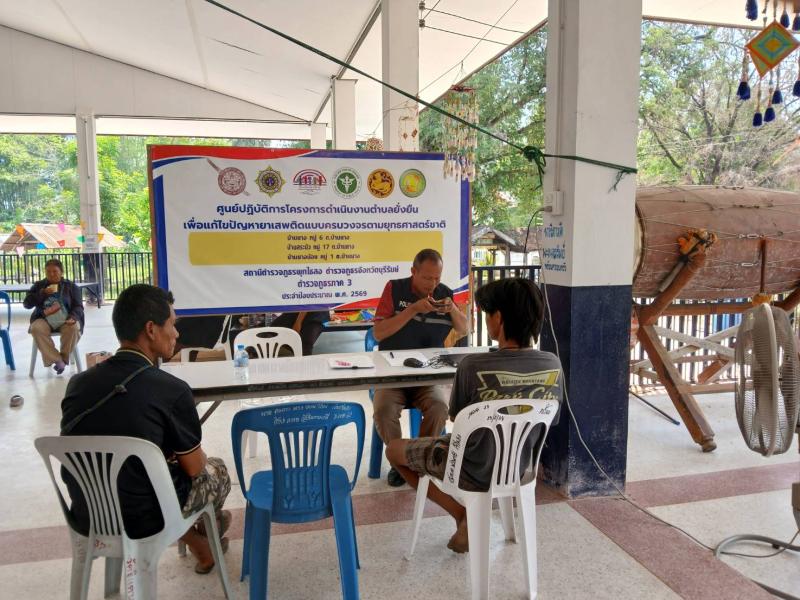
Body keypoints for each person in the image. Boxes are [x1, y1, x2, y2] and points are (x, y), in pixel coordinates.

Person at [60, 284, 231, 574]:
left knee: (139, 475)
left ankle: (201, 542)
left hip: (88, 514)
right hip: (146, 520)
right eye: (172, 324)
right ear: (151, 329)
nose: (177, 334)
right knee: (216, 469)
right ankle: (207, 529)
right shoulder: (172, 390)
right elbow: (194, 468)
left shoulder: (78, 384)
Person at [386, 277, 562, 553]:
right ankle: (470, 516)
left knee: (394, 451)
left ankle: (461, 514)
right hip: (518, 467)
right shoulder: (553, 364)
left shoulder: (472, 366)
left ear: (498, 318)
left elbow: (457, 420)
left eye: (487, 313)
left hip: (469, 469)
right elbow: (550, 419)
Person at [372, 248, 468, 486]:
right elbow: (378, 333)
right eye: (426, 278)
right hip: (392, 375)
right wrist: (413, 309)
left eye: (437, 278)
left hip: (427, 375)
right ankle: (400, 464)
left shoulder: (444, 294)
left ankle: (417, 460)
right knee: (383, 411)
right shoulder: (394, 288)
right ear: (413, 272)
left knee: (439, 407)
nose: (432, 284)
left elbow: (464, 329)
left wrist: (452, 310)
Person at [23, 258, 84, 374]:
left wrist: (73, 317)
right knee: (36, 328)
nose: (51, 274)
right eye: (48, 272)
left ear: (61, 272)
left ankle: (63, 359)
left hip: (65, 319)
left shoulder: (71, 287)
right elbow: (27, 304)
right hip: (43, 318)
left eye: (55, 271)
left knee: (73, 328)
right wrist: (42, 293)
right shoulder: (39, 285)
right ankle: (58, 360)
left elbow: (78, 306)